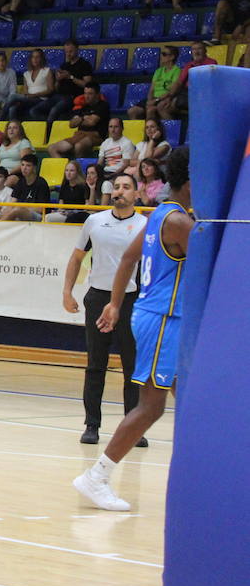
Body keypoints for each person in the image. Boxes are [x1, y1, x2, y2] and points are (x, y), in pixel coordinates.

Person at [73, 148, 192, 510]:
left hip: (154, 314)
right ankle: (96, 477)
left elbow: (128, 258)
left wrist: (115, 303)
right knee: (151, 407)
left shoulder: (159, 214)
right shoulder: (179, 223)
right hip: (162, 320)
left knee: (189, 400)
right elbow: (216, 263)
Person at [48, 83, 108, 159]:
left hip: (96, 136)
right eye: (85, 93)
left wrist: (80, 119)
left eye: (90, 94)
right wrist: (84, 118)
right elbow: (71, 124)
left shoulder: (103, 106)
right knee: (52, 148)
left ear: (97, 94)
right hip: (79, 135)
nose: (87, 96)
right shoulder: (84, 107)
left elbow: (91, 122)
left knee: (79, 146)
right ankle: (65, 169)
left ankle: (77, 168)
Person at [40, 40, 94, 124]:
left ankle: (48, 134)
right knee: (34, 110)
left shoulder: (84, 64)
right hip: (59, 96)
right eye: (66, 52)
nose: (68, 54)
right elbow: (56, 89)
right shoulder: (64, 65)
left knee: (54, 110)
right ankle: (45, 128)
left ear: (77, 49)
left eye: (71, 51)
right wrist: (58, 80)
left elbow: (87, 85)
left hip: (73, 97)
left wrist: (70, 77)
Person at [160, 40, 217, 119]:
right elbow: (179, 82)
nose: (196, 52)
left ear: (205, 51)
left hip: (202, 94)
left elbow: (209, 83)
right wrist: (169, 96)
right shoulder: (189, 65)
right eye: (194, 49)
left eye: (199, 49)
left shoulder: (211, 63)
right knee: (162, 107)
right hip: (187, 93)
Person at [127, 46, 182, 120]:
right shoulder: (158, 71)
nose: (161, 56)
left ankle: (151, 130)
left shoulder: (177, 71)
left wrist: (156, 101)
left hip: (164, 99)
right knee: (132, 111)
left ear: (172, 57)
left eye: (164, 54)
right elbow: (151, 90)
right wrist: (150, 101)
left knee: (150, 111)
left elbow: (171, 92)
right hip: (154, 99)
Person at [5, 49, 55, 121]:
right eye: (33, 57)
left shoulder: (47, 71)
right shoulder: (26, 74)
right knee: (12, 108)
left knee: (13, 96)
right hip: (29, 99)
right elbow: (26, 92)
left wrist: (35, 95)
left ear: (41, 59)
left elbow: (50, 90)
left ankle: (0, 120)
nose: (35, 59)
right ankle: (13, 127)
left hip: (41, 99)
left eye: (37, 57)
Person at [0, 153, 50, 221]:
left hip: (38, 215)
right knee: (4, 211)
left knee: (17, 210)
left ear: (34, 168)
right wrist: (2, 214)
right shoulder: (20, 182)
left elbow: (40, 209)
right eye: (22, 165)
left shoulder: (41, 183)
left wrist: (21, 207)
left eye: (28, 166)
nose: (24, 168)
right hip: (20, 212)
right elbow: (12, 203)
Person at [98, 116, 137, 184]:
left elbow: (126, 164)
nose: (113, 130)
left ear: (122, 128)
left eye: (116, 127)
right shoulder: (105, 143)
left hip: (119, 173)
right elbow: (100, 162)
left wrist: (113, 175)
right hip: (105, 173)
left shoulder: (127, 143)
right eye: (111, 127)